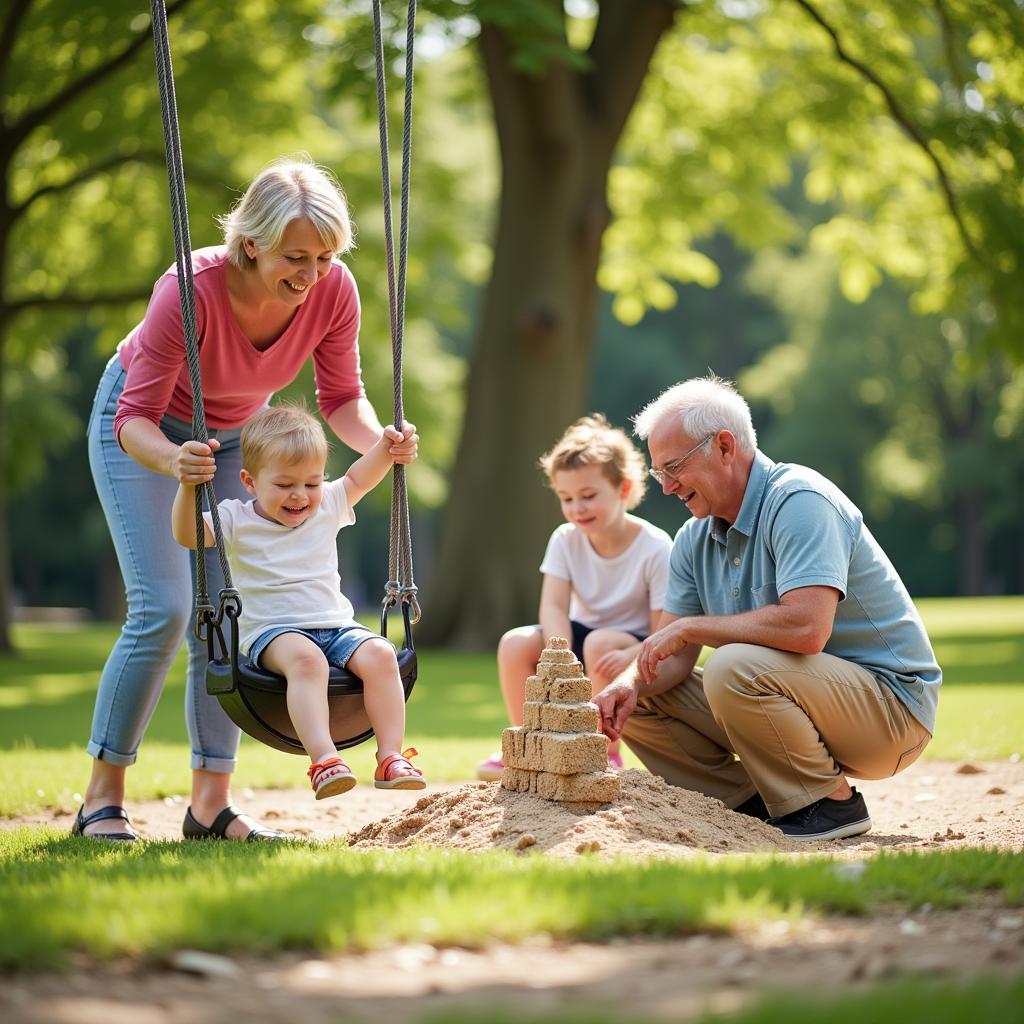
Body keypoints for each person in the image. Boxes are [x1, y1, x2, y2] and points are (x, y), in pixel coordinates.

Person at [77, 158, 418, 842]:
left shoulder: (333, 290)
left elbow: (341, 399)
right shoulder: (189, 290)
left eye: (325, 256)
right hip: (146, 430)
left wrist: (378, 437)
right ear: (251, 242)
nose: (312, 272)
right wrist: (177, 462)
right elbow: (133, 416)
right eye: (297, 256)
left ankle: (210, 807)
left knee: (223, 618)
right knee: (167, 608)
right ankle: (102, 798)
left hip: (243, 438)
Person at [593, 376, 941, 841]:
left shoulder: (799, 501)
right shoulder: (693, 539)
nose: (667, 486)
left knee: (733, 665)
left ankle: (830, 805)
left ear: (723, 446)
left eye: (673, 466)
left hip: (891, 713)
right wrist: (626, 684)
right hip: (802, 701)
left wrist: (694, 629)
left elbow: (806, 628)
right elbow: (669, 652)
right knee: (644, 684)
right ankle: (751, 806)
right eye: (659, 473)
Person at [171, 405, 426, 803]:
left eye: (311, 483)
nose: (300, 495)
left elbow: (360, 475)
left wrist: (387, 444)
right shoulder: (234, 519)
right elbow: (188, 533)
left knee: (380, 654)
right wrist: (189, 486)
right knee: (309, 662)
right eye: (285, 484)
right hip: (273, 633)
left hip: (337, 625)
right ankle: (325, 760)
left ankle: (391, 756)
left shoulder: (329, 504)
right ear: (249, 482)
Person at [477, 414, 672, 782]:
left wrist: (632, 654)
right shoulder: (565, 539)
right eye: (566, 498)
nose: (577, 508)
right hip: (578, 633)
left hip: (631, 643)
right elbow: (552, 605)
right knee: (514, 642)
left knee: (600, 644)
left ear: (623, 489)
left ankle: (602, 750)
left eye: (588, 496)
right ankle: (530, 745)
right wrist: (558, 650)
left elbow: (663, 626)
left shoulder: (655, 547)